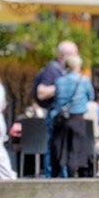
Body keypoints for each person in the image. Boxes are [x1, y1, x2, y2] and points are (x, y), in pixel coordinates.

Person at [50, 50, 96, 177]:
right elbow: (91, 96)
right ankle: (73, 173)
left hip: (62, 119)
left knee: (61, 148)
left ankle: (58, 172)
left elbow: (57, 97)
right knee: (76, 149)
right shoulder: (84, 80)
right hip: (78, 117)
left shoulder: (59, 81)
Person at [34, 42, 75, 178]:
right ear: (62, 55)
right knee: (53, 147)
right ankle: (51, 176)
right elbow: (41, 92)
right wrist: (63, 87)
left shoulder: (67, 71)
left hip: (68, 115)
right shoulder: (53, 68)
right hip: (56, 114)